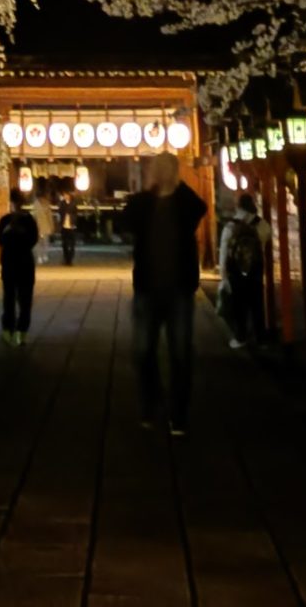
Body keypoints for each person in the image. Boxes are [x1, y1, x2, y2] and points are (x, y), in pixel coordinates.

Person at [121, 151, 208, 436]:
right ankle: (151, 402)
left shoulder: (185, 202)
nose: (159, 172)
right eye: (156, 167)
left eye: (165, 167)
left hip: (179, 288)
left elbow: (200, 207)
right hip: (147, 287)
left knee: (180, 352)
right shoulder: (143, 202)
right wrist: (150, 190)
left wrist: (178, 185)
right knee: (142, 350)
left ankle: (178, 413)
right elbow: (125, 222)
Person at [217, 189, 267, 349]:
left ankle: (241, 337)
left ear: (238, 206)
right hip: (255, 269)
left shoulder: (230, 226)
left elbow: (223, 253)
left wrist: (224, 276)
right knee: (257, 304)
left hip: (236, 271)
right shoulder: (260, 224)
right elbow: (266, 239)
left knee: (239, 305)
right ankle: (261, 338)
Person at [0, 189, 40, 344]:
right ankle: (21, 331)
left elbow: (0, 240)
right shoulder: (29, 220)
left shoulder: (5, 221)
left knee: (9, 298)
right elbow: (33, 239)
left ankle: (8, 329)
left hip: (9, 262)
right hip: (25, 262)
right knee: (24, 299)